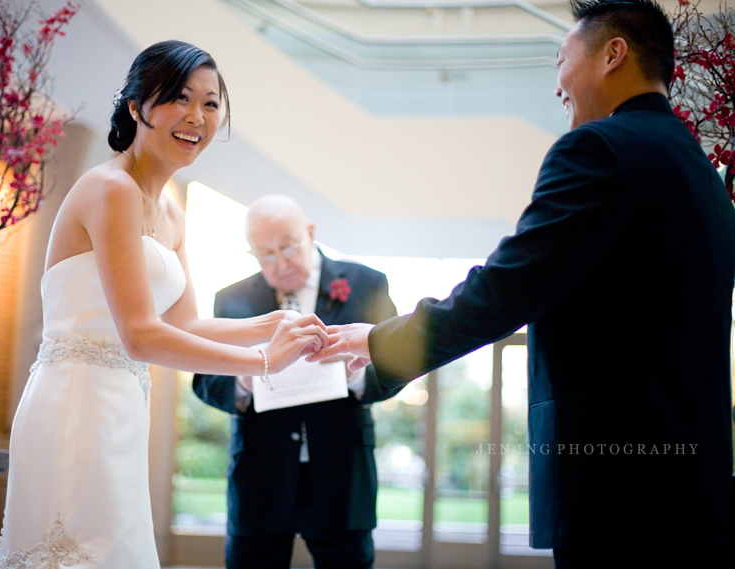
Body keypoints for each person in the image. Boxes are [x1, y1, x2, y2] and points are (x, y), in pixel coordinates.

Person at [309, 1, 735, 567]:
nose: (557, 82)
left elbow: (506, 287)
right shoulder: (704, 174)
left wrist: (376, 341)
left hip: (620, 493)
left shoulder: (599, 150)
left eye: (562, 58)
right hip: (696, 488)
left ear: (613, 54)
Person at [0, 42, 327, 569]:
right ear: (135, 106)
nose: (197, 117)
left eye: (211, 104)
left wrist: (272, 323)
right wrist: (264, 361)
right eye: (178, 98)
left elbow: (186, 323)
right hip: (75, 402)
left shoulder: (171, 213)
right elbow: (141, 336)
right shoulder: (111, 189)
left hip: (123, 406)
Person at [193, 195, 404, 569]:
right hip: (260, 476)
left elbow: (398, 366)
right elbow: (205, 381)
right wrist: (243, 378)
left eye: (288, 246)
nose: (281, 262)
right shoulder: (231, 299)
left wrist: (356, 375)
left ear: (310, 233)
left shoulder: (367, 283)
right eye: (265, 253)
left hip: (342, 472)